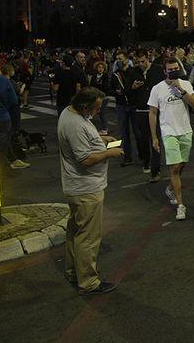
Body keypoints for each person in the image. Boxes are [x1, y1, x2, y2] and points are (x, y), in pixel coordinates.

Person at [58, 87, 123, 295]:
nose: (97, 112)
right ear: (85, 106)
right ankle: (88, 281)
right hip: (85, 187)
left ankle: (73, 272)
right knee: (88, 236)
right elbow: (85, 159)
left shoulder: (70, 113)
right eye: (96, 108)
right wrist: (109, 153)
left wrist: (100, 140)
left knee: (76, 231)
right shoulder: (75, 124)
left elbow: (84, 144)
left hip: (78, 186)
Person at [149, 57, 194, 221]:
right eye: (170, 70)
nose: (174, 71)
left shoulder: (186, 84)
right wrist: (154, 137)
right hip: (168, 132)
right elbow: (153, 113)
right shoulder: (157, 89)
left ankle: (171, 187)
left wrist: (182, 91)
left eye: (176, 68)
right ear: (165, 71)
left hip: (185, 130)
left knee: (181, 164)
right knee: (174, 168)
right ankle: (180, 206)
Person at [127, 50, 165, 177]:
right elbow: (128, 92)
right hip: (141, 110)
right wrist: (133, 87)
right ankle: (146, 162)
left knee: (156, 139)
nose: (141, 64)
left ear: (148, 58)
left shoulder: (157, 70)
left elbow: (164, 87)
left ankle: (156, 168)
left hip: (155, 110)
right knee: (144, 139)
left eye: (143, 61)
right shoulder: (134, 72)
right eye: (138, 62)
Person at [0, 63, 29, 169]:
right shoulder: (5, 81)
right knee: (7, 139)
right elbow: (13, 99)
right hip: (4, 115)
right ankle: (5, 164)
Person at [88, 61, 111, 135]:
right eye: (99, 67)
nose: (100, 69)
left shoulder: (105, 76)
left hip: (104, 97)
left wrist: (97, 86)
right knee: (93, 112)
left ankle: (105, 129)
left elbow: (105, 87)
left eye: (102, 68)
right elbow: (92, 85)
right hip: (96, 97)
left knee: (102, 113)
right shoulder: (94, 76)